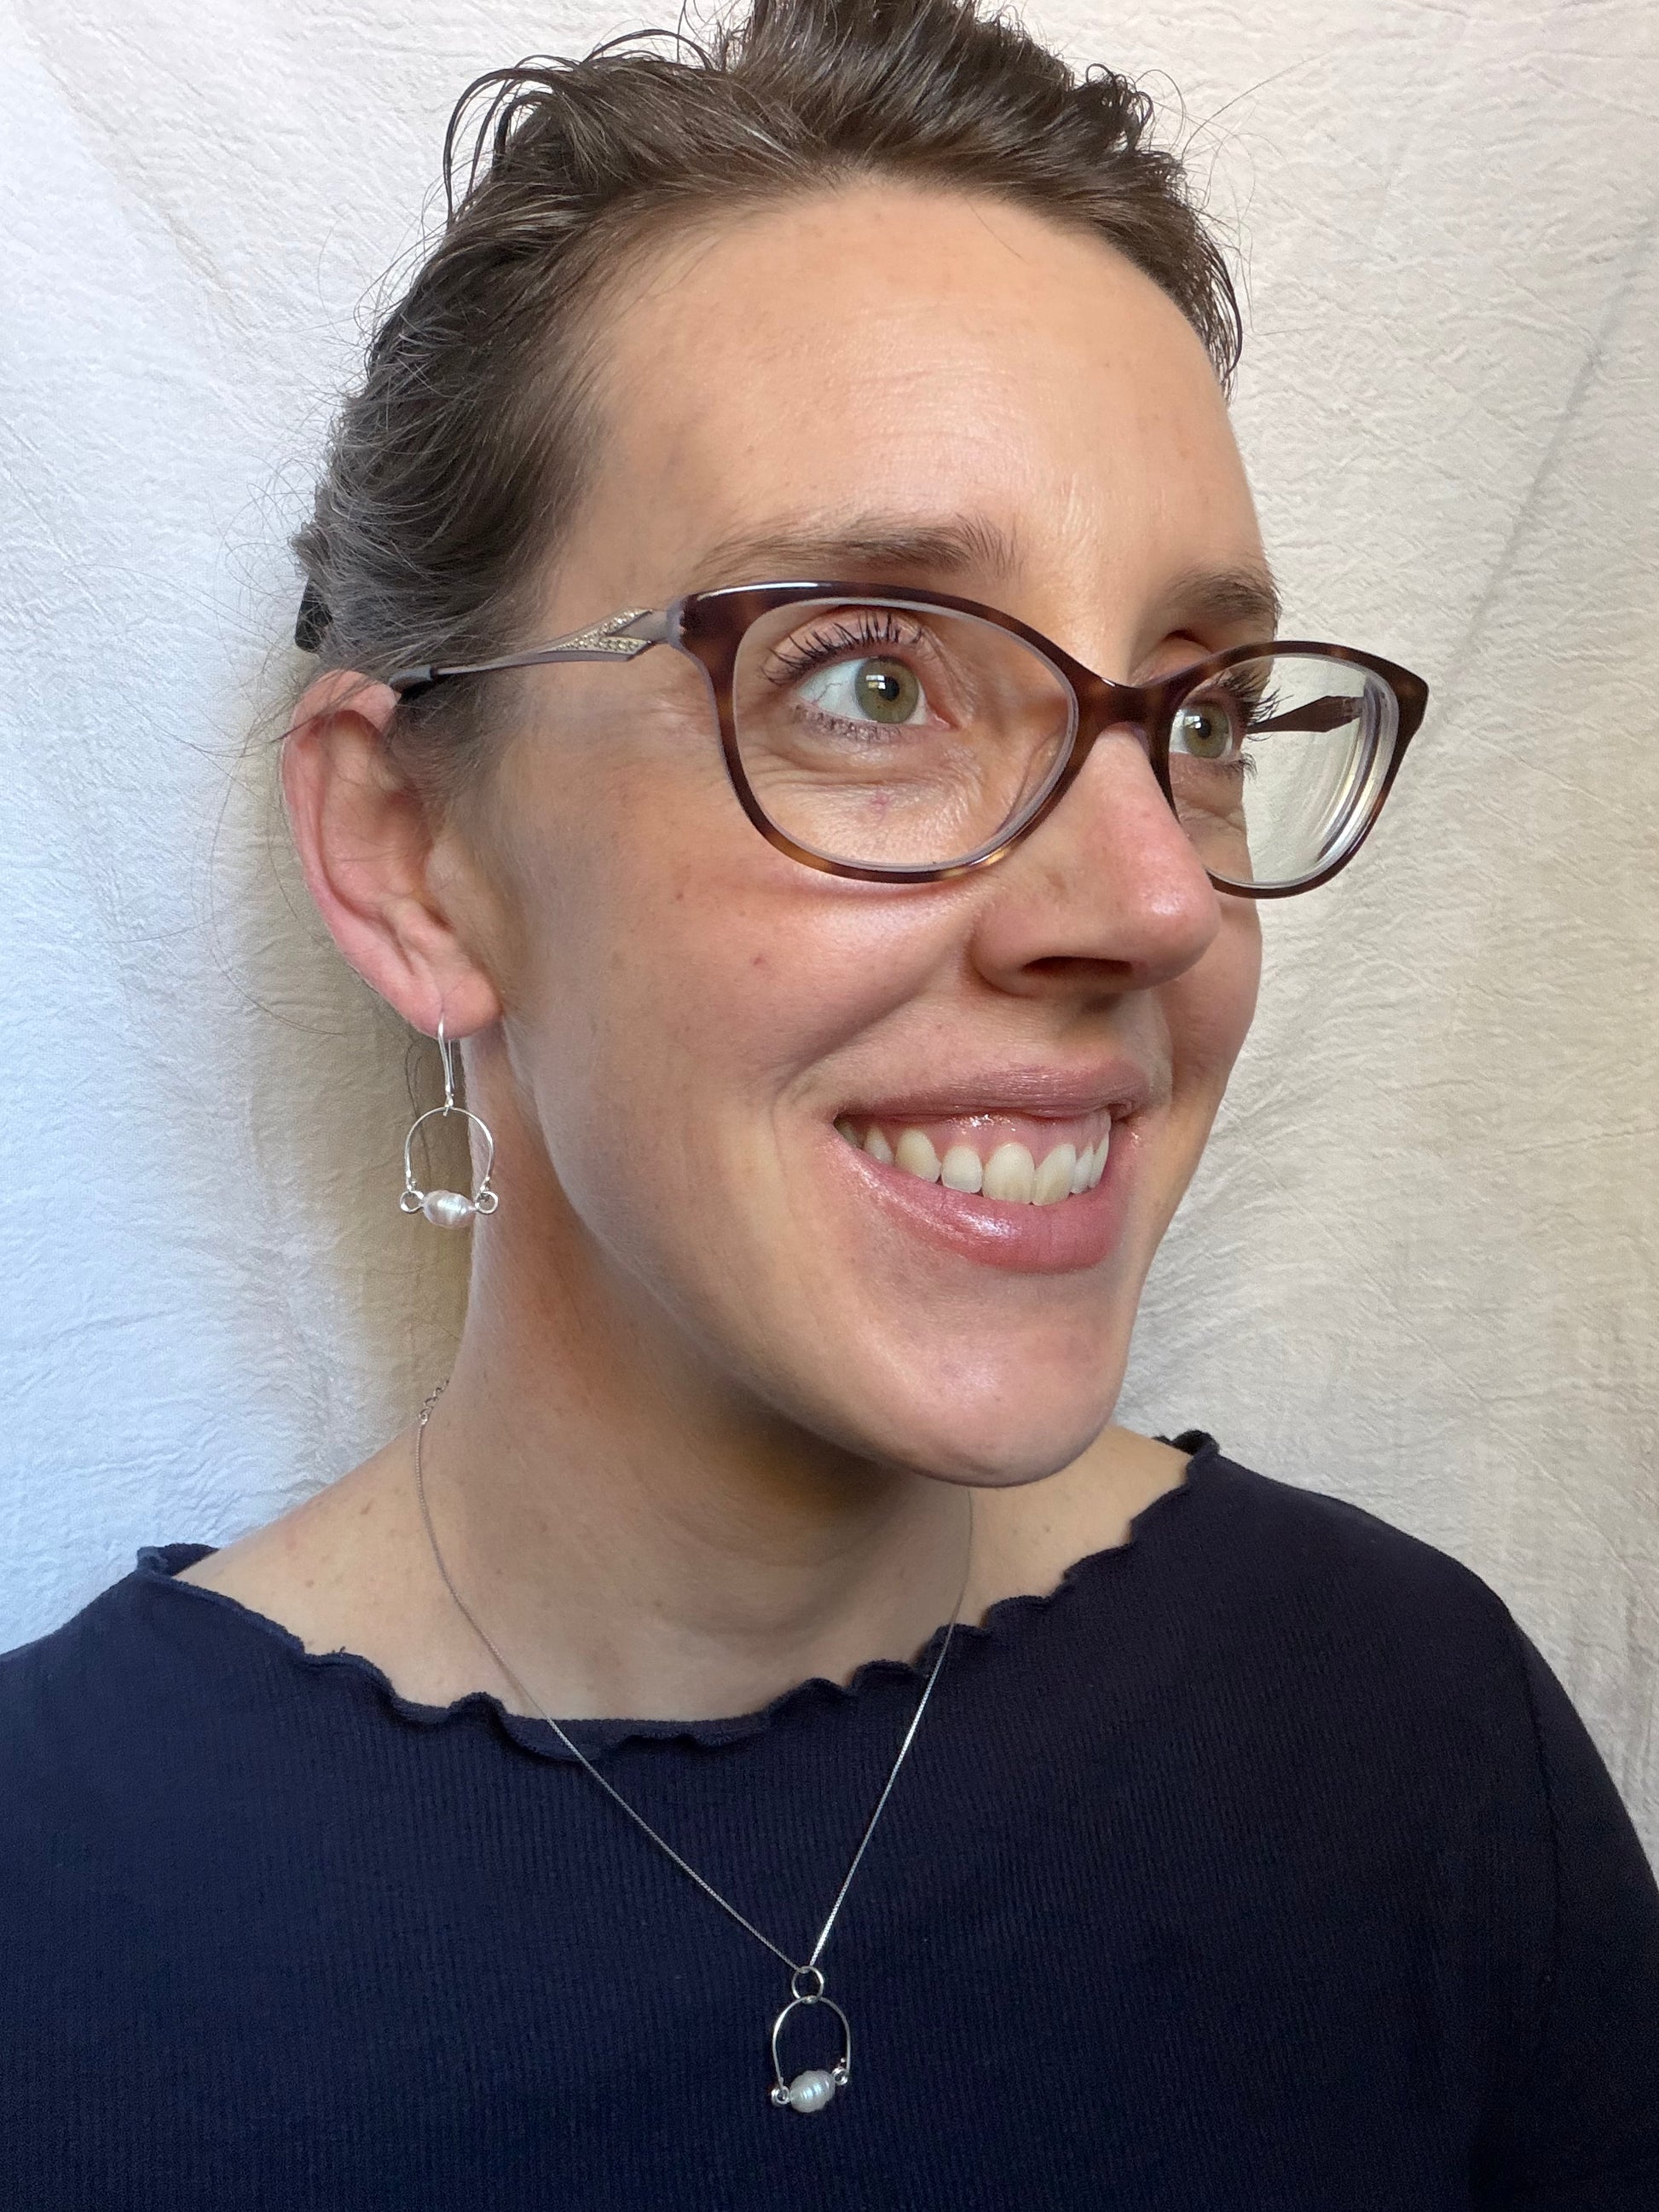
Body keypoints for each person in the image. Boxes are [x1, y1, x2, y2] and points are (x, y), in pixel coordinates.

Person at [3, 0, 1656, 2202]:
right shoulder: (54, 1928)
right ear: (414, 858)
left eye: (1200, 717)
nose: (1154, 900)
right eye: (871, 679)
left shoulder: (1409, 1737)